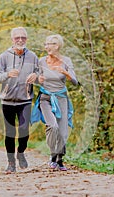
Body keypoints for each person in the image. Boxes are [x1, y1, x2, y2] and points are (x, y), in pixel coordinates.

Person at [0, 27, 38, 173]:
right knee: (10, 132)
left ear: (26, 39)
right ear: (12, 39)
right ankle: (11, 163)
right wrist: (7, 74)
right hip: (8, 100)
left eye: (23, 38)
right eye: (17, 37)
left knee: (24, 130)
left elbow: (39, 73)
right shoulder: (4, 56)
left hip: (25, 100)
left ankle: (21, 153)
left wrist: (36, 76)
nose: (20, 40)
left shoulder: (33, 56)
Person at [31, 34, 78, 171]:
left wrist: (65, 72)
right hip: (45, 98)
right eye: (45, 44)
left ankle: (60, 159)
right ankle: (52, 156)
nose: (46, 47)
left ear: (57, 46)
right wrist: (37, 79)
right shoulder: (41, 61)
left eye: (49, 44)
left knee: (63, 132)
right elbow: (34, 77)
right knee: (53, 126)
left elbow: (75, 81)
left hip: (61, 98)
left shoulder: (66, 61)